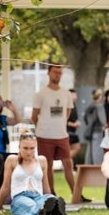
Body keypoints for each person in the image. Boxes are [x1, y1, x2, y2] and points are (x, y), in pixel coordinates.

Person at [0, 132, 66, 215]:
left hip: (38, 196)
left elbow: (46, 186)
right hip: (20, 197)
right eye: (25, 148)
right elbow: (5, 186)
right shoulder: (12, 160)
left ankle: (53, 210)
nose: (29, 152)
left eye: (32, 148)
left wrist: (50, 198)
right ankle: (47, 214)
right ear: (19, 147)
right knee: (30, 205)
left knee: (49, 200)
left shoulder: (42, 160)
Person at [31, 64, 75, 195]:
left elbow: (67, 113)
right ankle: (51, 193)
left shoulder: (66, 94)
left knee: (68, 163)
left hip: (62, 135)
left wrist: (59, 124)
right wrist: (44, 126)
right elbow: (34, 116)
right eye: (55, 72)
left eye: (60, 73)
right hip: (44, 136)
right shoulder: (41, 94)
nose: (58, 75)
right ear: (48, 73)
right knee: (47, 165)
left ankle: (76, 192)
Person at [83, 89, 106, 165]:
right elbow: (103, 121)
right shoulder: (99, 106)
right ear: (100, 96)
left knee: (90, 153)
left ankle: (89, 170)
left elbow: (85, 119)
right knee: (98, 154)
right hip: (98, 131)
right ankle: (98, 171)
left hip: (90, 132)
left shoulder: (89, 106)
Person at [67, 89, 82, 161]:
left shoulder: (74, 106)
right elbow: (63, 121)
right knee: (69, 149)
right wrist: (74, 124)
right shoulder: (66, 106)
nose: (75, 96)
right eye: (73, 95)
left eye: (75, 95)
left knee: (77, 147)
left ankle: (68, 162)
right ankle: (67, 164)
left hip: (73, 132)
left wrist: (77, 122)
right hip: (67, 131)